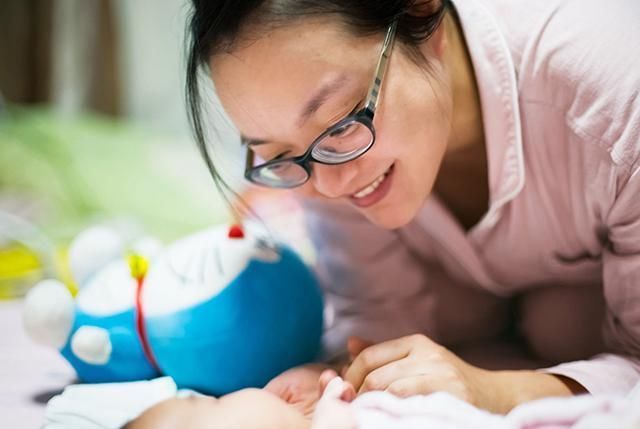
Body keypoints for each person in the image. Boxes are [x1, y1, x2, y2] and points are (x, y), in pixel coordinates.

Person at [185, 0, 640, 416]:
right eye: (279, 153)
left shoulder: (613, 91)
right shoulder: (318, 169)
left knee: (561, 324)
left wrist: (498, 391)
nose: (328, 185)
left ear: (422, 12)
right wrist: (335, 378)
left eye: (340, 124)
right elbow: (380, 321)